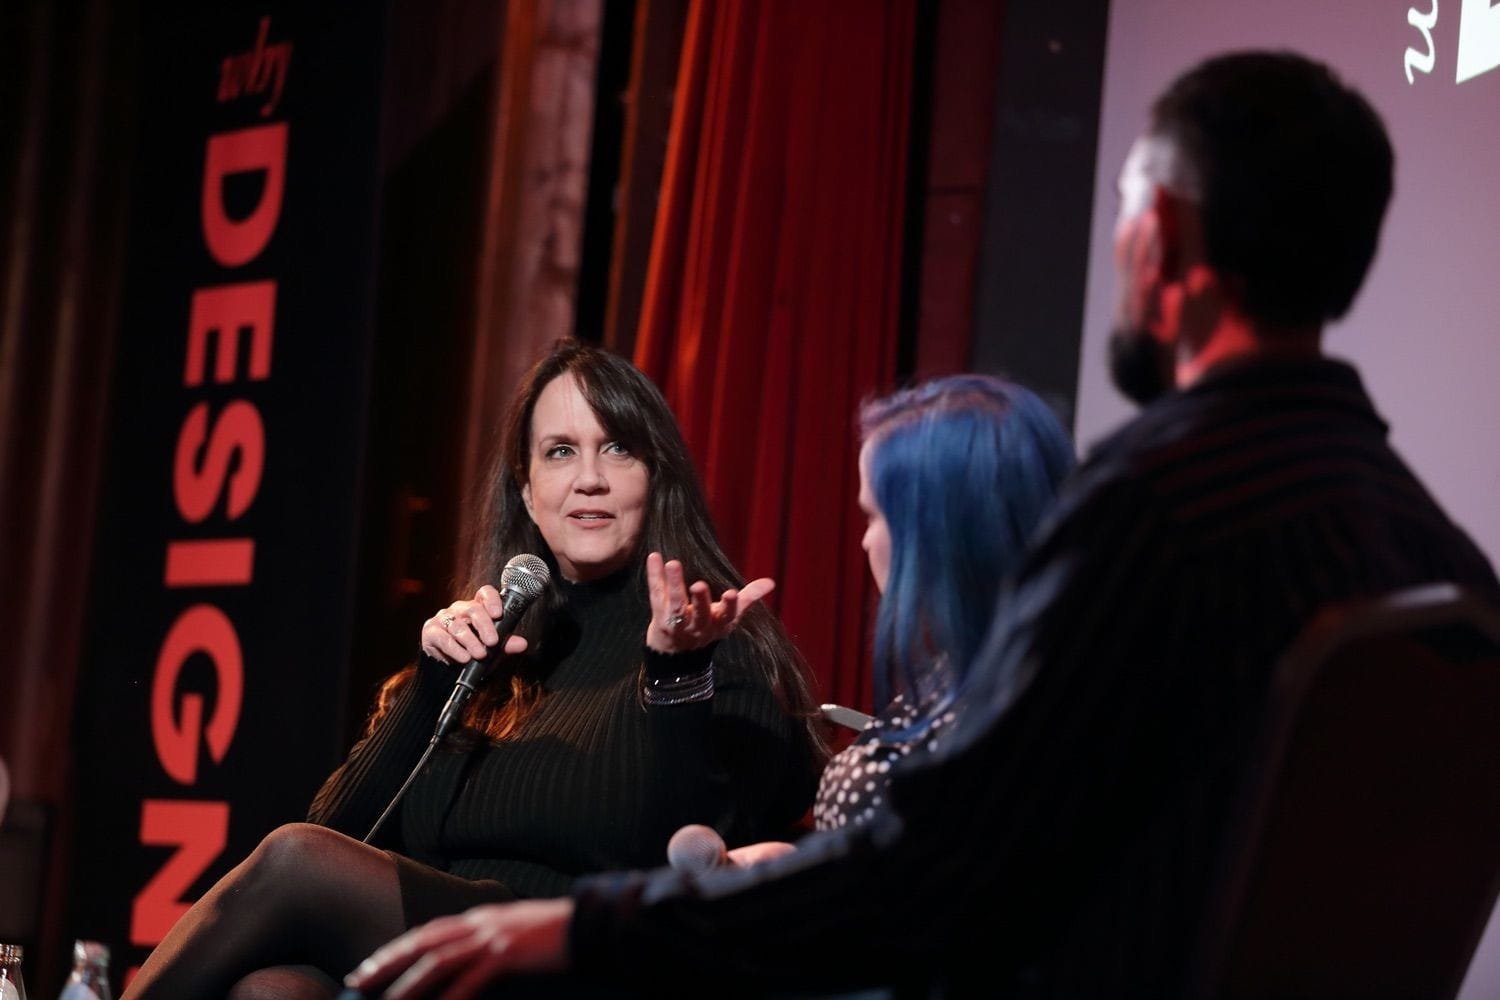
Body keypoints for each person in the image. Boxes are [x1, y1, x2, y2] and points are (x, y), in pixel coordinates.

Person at [345, 50, 1500, 999]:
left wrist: (582, 931)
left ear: (1163, 244)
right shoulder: (1453, 569)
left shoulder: (1154, 516)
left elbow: (934, 872)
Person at [122, 340, 827, 999]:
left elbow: (679, 864)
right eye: (559, 451)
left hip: (576, 958)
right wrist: (435, 682)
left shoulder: (719, 646)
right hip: (443, 967)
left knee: (294, 860)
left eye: (616, 448)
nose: (587, 478)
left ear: (656, 475)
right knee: (272, 990)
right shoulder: (493, 646)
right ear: (525, 490)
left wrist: (677, 677)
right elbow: (341, 831)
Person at [710, 374, 1074, 874]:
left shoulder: (936, 751)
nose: (865, 542)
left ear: (931, 531)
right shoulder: (1067, 674)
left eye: (874, 516)